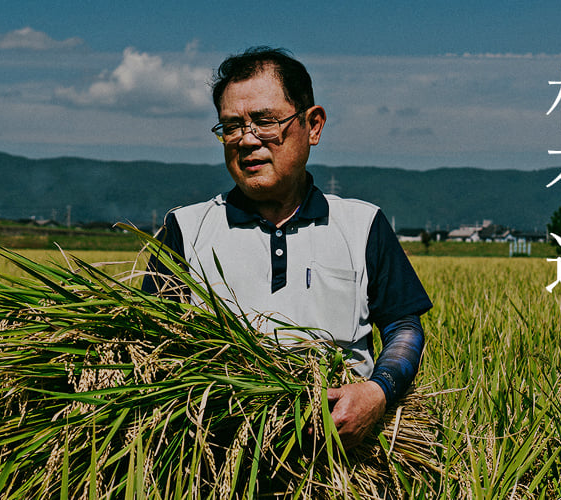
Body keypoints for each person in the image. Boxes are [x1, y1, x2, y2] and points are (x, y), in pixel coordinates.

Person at [144, 46, 431, 449]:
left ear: (313, 125)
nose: (245, 140)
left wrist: (377, 392)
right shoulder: (186, 229)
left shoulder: (362, 225)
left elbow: (403, 326)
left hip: (341, 456)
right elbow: (148, 345)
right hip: (215, 458)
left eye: (264, 122)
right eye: (230, 127)